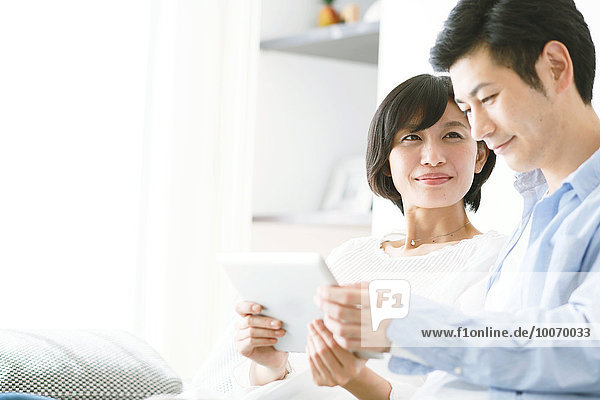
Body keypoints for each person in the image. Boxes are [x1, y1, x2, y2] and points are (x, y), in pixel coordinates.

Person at [315, 0, 600, 399]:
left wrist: (407, 322)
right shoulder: (536, 214)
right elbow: (482, 373)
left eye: (489, 98)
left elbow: (583, 347)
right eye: (468, 108)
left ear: (555, 67)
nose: (479, 128)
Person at [198, 74, 505, 399]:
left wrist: (356, 378)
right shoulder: (350, 256)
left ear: (481, 154)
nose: (432, 157)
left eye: (453, 135)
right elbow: (294, 378)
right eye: (412, 137)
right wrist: (270, 365)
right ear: (386, 160)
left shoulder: (494, 260)